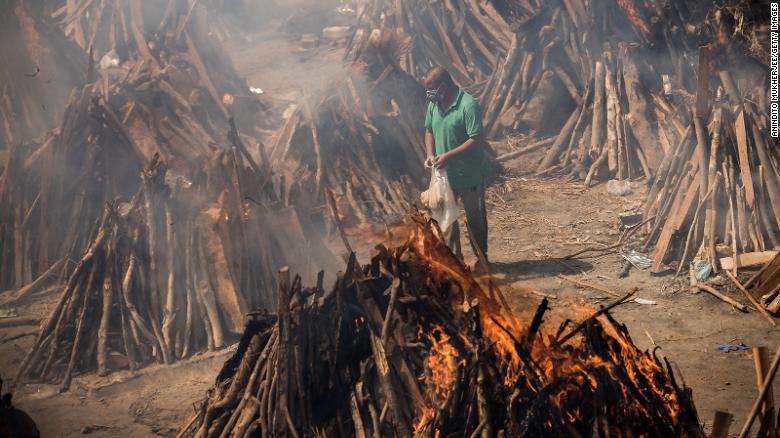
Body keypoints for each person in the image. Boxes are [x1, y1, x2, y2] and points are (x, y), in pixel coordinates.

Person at [422, 66, 490, 270]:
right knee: (447, 221)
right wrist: (430, 154)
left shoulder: (468, 105)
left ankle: (482, 260)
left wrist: (448, 156)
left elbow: (476, 139)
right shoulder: (434, 105)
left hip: (469, 175)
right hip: (445, 175)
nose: (429, 93)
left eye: (431, 88)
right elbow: (428, 130)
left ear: (444, 86)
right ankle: (456, 262)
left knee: (475, 221)